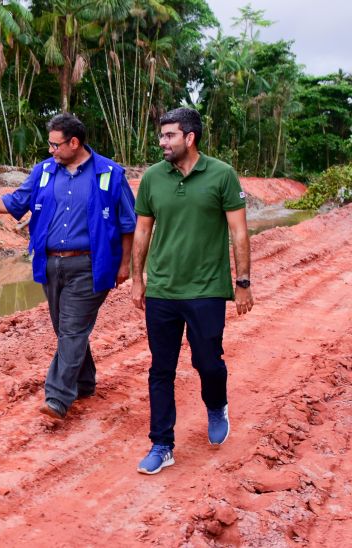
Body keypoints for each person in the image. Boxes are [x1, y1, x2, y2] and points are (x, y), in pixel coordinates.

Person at [0, 113, 136, 419]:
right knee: (65, 329)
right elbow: (16, 202)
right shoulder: (44, 172)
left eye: (55, 145)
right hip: (51, 264)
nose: (51, 151)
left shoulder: (109, 173)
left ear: (74, 142)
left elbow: (127, 223)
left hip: (91, 265)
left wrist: (125, 264)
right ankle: (85, 381)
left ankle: (57, 397)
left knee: (71, 329)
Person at [131, 107, 254, 475]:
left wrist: (243, 282)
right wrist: (138, 279)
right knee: (160, 369)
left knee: (208, 363)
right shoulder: (153, 177)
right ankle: (162, 443)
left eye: (169, 135)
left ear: (190, 137)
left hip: (206, 289)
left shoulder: (221, 175)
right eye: (161, 136)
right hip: (163, 290)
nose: (162, 142)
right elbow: (142, 231)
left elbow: (239, 232)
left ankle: (216, 405)